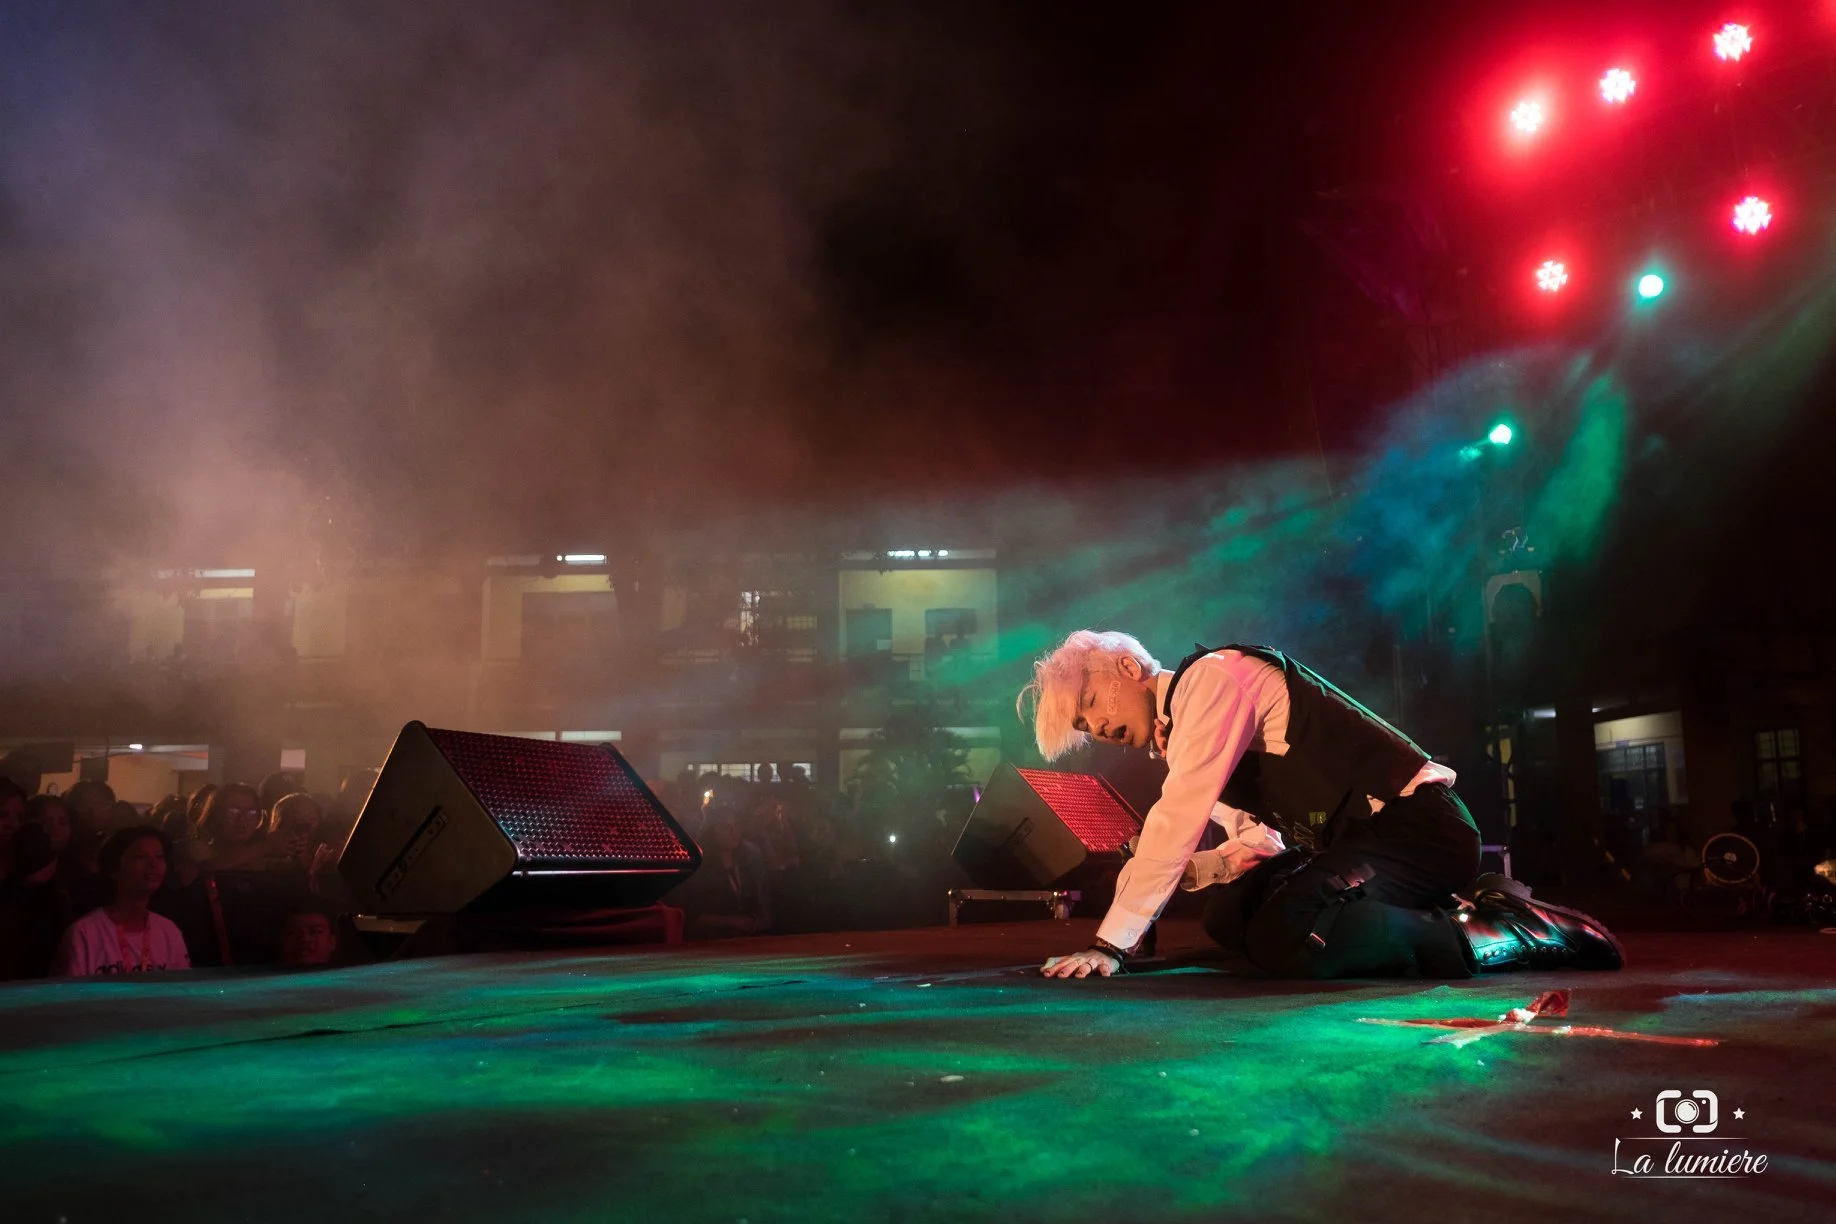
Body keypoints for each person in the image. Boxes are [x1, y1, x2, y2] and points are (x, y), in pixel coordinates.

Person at [1019, 632, 1623, 980]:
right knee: (1229, 918)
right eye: (1083, 724)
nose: (1097, 725)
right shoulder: (1180, 737)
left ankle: (1509, 928)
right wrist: (1186, 874)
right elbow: (1261, 840)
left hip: (1420, 830)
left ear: (1129, 666)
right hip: (1357, 847)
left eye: (1093, 702)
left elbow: (1176, 818)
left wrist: (1112, 942)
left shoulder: (1212, 681)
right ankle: (1440, 909)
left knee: (1296, 931)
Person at [51, 826, 192, 976]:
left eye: (159, 856)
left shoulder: (168, 931)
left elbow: (181, 992)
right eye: (140, 856)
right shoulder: (85, 933)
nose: (153, 864)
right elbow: (70, 996)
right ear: (114, 869)